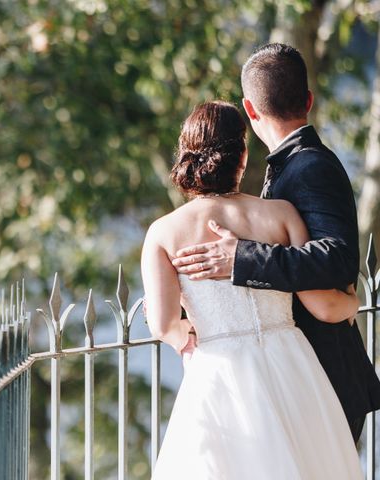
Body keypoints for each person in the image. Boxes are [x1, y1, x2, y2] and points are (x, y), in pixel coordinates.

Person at [142, 100, 363, 479]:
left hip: (219, 373)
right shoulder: (281, 215)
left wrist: (186, 334)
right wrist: (353, 302)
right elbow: (324, 307)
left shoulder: (163, 232)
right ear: (241, 157)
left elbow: (162, 326)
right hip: (292, 364)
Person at [171, 43, 380, 442]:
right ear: (309, 100)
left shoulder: (310, 165)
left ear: (250, 111)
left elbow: (336, 258)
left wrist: (242, 257)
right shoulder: (293, 163)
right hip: (296, 381)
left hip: (326, 379)